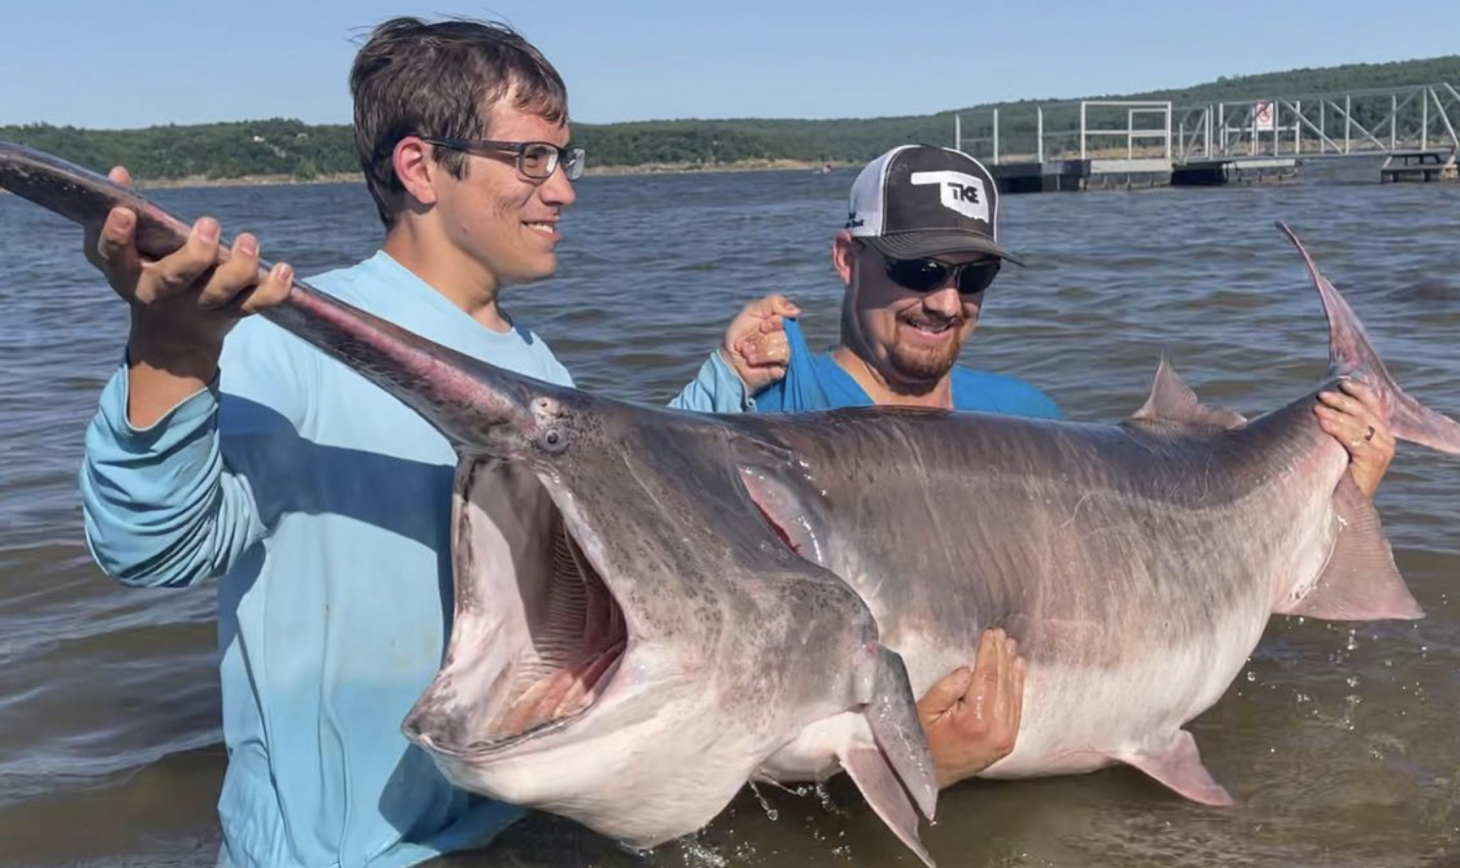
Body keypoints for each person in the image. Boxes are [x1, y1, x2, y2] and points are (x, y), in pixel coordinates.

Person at [74, 21, 1024, 868]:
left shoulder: (533, 361)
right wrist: (170, 351)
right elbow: (152, 547)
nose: (563, 190)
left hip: (519, 826)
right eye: (531, 159)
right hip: (345, 848)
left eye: (567, 157)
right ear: (420, 168)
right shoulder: (286, 344)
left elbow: (614, 513)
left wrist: (718, 387)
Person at [669, 142, 1398, 783]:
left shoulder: (1029, 417)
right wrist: (721, 380)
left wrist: (1333, 507)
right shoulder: (776, 405)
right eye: (918, 267)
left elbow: (1176, 598)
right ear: (846, 257)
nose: (946, 301)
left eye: (974, 274)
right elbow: (655, 521)